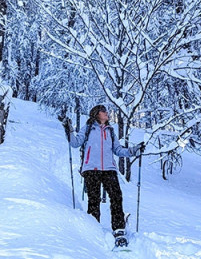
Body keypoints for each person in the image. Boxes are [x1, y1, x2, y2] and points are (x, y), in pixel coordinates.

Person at [59, 104, 144, 248]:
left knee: (116, 196)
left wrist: (134, 150)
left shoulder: (110, 131)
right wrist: (68, 128)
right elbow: (75, 143)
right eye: (104, 111)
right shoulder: (88, 128)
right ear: (97, 113)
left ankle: (118, 229)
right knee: (94, 198)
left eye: (106, 111)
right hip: (91, 168)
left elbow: (118, 150)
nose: (107, 113)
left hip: (109, 169)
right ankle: (94, 228)